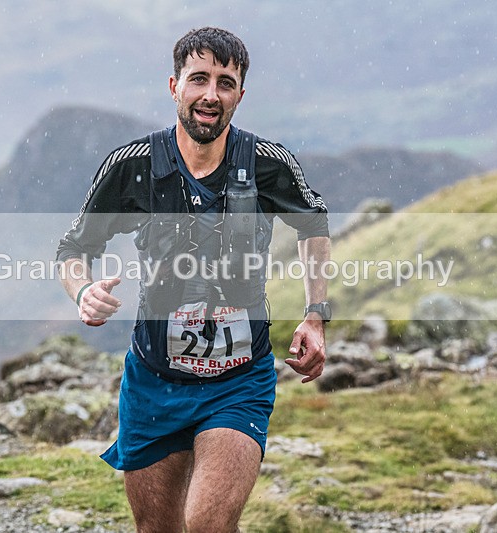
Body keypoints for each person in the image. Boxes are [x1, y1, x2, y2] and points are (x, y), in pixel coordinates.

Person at [56, 27, 330, 532]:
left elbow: (314, 224)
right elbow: (74, 249)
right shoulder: (133, 167)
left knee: (208, 526)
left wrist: (315, 315)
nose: (211, 94)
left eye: (225, 83)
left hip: (238, 381)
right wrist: (83, 292)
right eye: (198, 79)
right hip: (153, 380)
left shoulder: (267, 164)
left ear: (240, 95)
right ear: (174, 87)